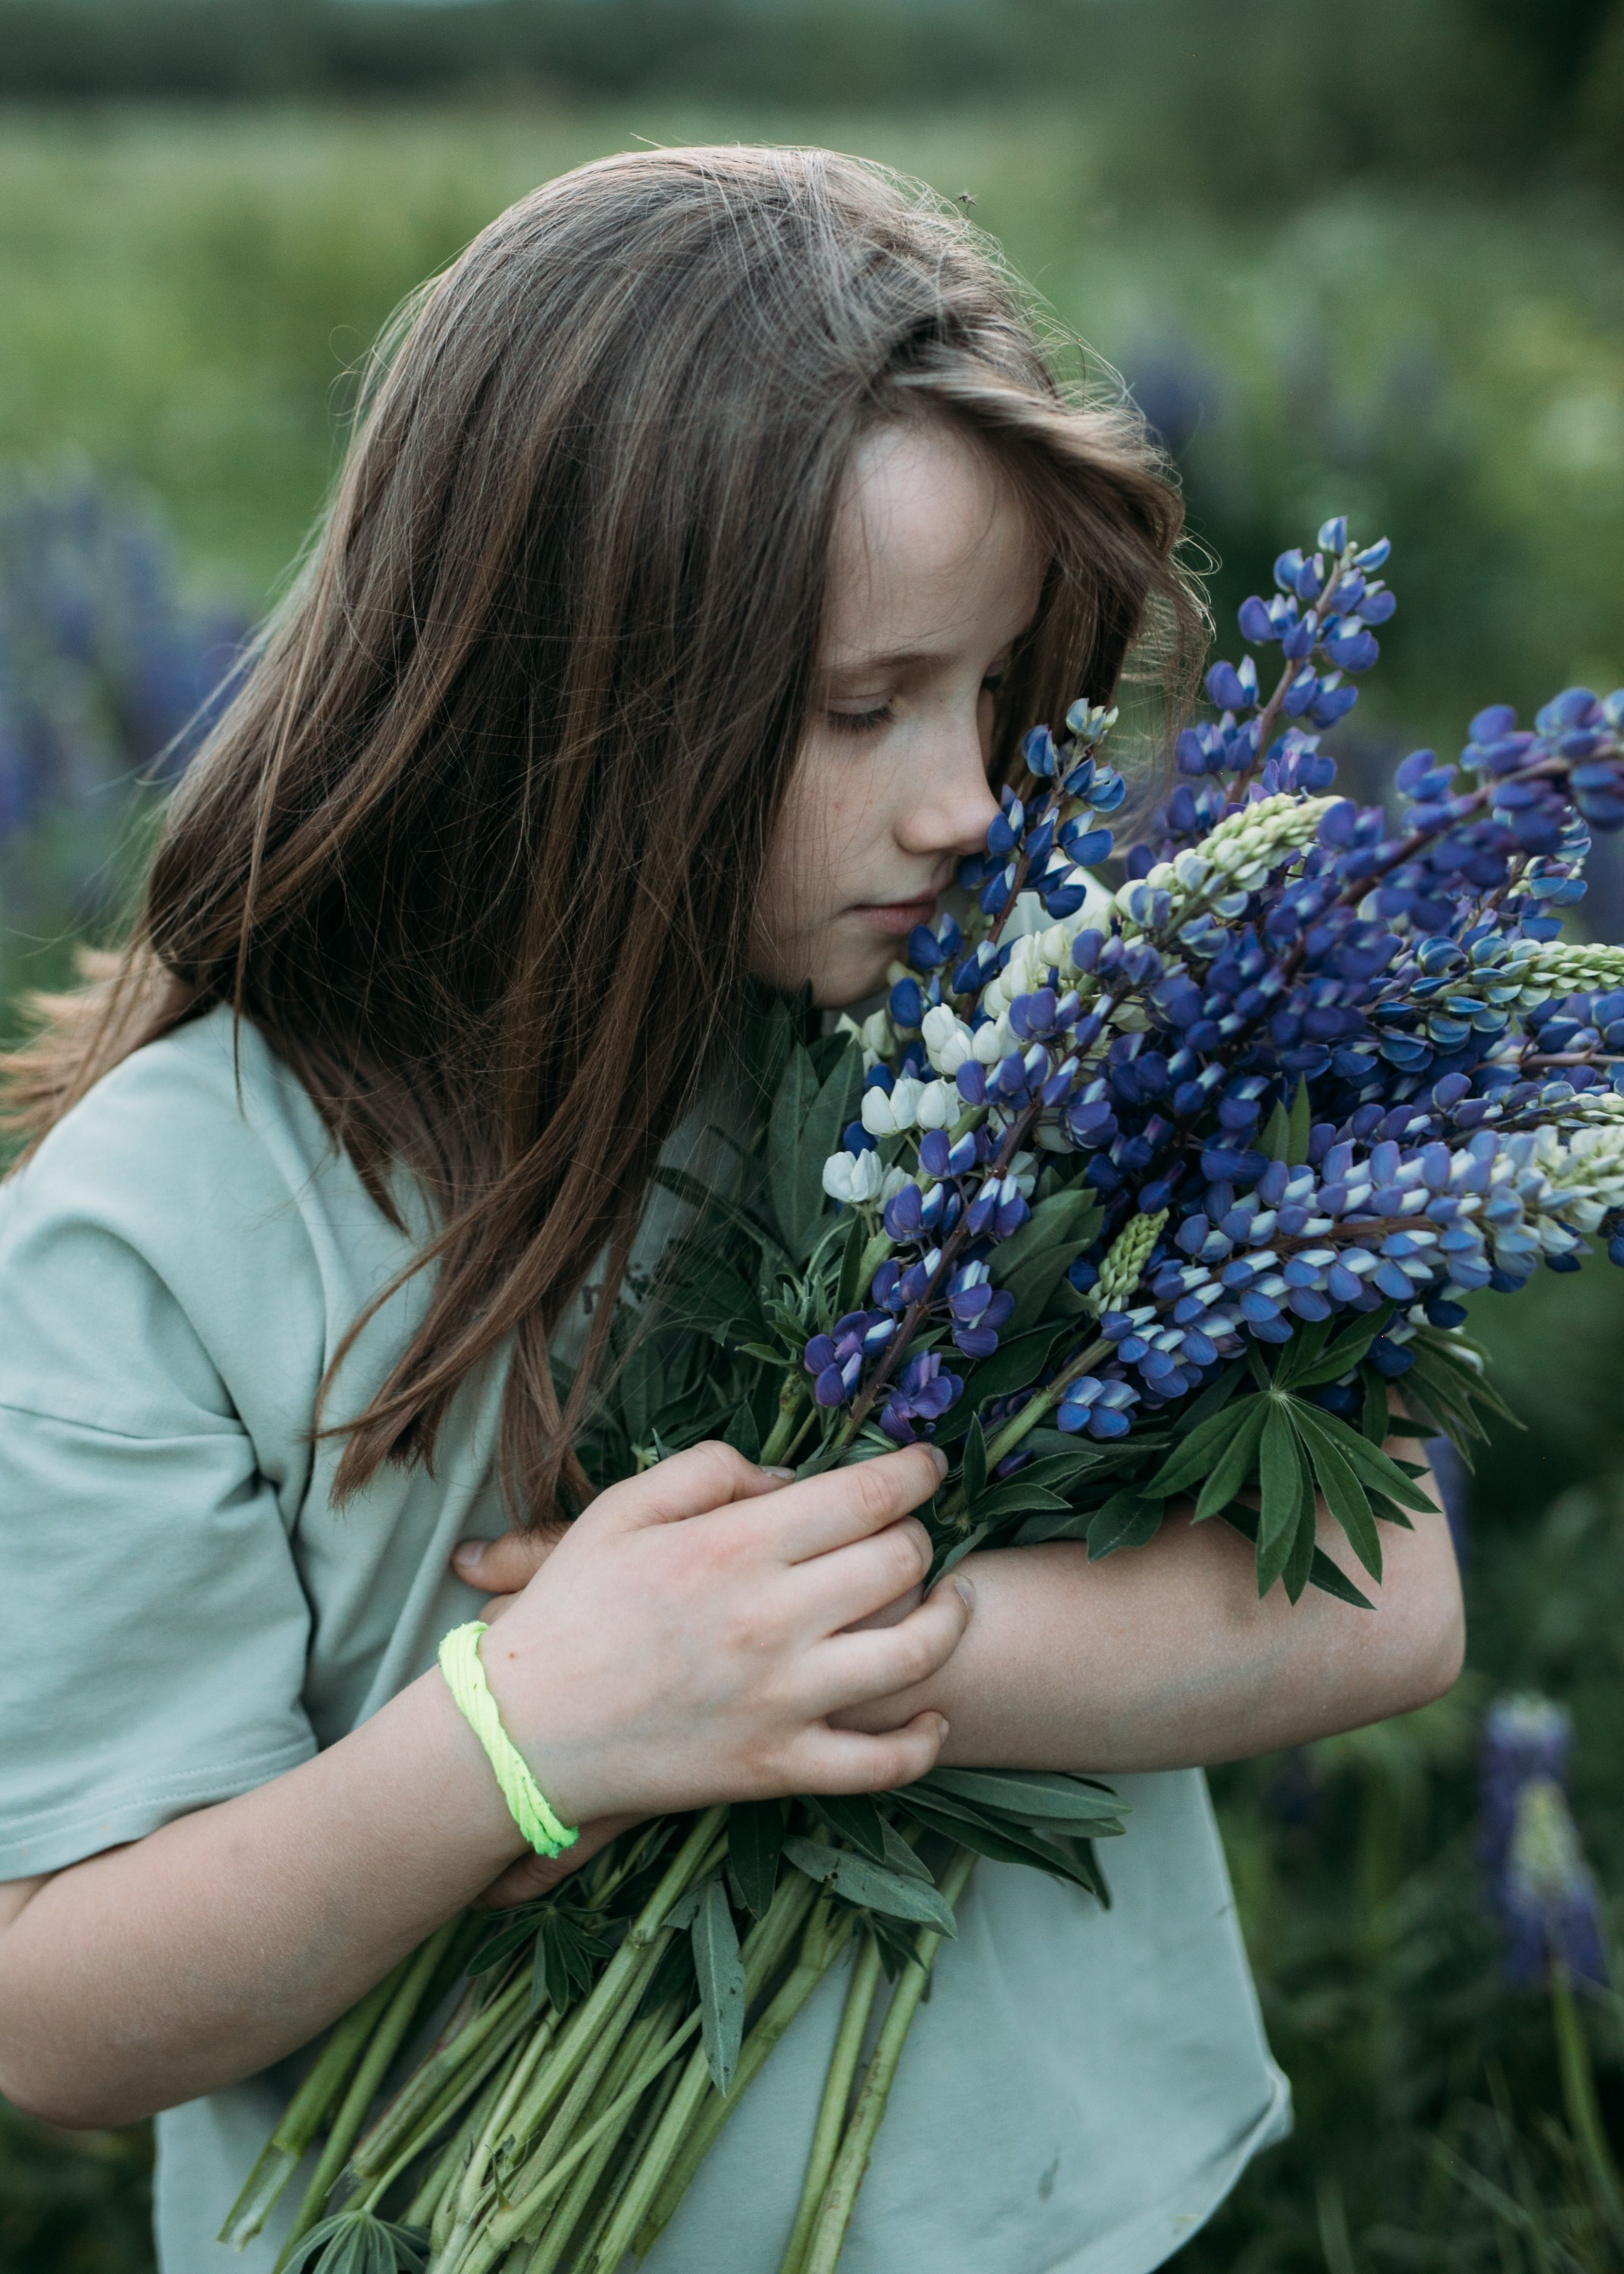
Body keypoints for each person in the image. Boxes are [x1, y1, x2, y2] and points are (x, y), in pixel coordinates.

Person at [0, 147, 1463, 2274]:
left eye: (998, 695)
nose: (968, 802)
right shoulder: (169, 1218)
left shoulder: (1053, 1023)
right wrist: (533, 1736)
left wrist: (793, 1661)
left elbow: (1383, 1583)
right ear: (561, 713)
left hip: (1091, 2227)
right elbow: (59, 2004)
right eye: (862, 709)